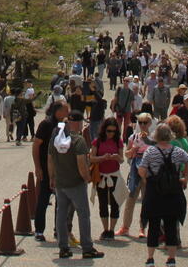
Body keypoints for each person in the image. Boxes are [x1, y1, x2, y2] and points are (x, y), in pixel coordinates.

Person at [138, 121, 188, 266]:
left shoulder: (151, 151)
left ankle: (150, 258)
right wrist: (185, 179)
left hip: (155, 190)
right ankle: (171, 258)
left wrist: (146, 178)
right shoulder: (177, 151)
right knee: (171, 224)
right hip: (173, 190)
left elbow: (141, 169)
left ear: (156, 136)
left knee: (153, 224)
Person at [49, 110, 105, 259]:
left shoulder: (56, 138)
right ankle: (87, 247)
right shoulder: (78, 140)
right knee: (83, 215)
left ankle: (63, 247)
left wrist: (52, 177)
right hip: (75, 183)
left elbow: (50, 158)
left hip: (61, 182)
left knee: (61, 215)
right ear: (78, 123)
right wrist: (86, 177)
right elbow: (81, 162)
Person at [33, 100, 70, 241]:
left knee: (61, 202)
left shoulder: (65, 126)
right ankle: (39, 230)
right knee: (43, 200)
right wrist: (37, 167)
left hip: (61, 170)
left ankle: (58, 229)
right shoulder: (46, 125)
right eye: (66, 110)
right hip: (45, 168)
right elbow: (36, 146)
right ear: (57, 111)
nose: (68, 113)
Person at [117, 112, 153, 238]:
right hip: (135, 167)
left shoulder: (153, 138)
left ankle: (143, 227)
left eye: (145, 122)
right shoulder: (133, 137)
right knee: (131, 197)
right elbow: (127, 154)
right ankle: (125, 227)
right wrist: (132, 150)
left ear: (149, 124)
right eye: (140, 122)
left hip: (148, 168)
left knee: (147, 200)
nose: (142, 125)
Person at [90, 117, 125, 240]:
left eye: (113, 131)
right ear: (104, 130)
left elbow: (122, 160)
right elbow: (91, 158)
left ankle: (112, 229)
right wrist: (102, 158)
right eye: (109, 131)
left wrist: (116, 157)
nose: (111, 134)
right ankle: (105, 229)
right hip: (101, 176)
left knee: (115, 203)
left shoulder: (118, 142)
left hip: (114, 175)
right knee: (103, 203)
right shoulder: (97, 141)